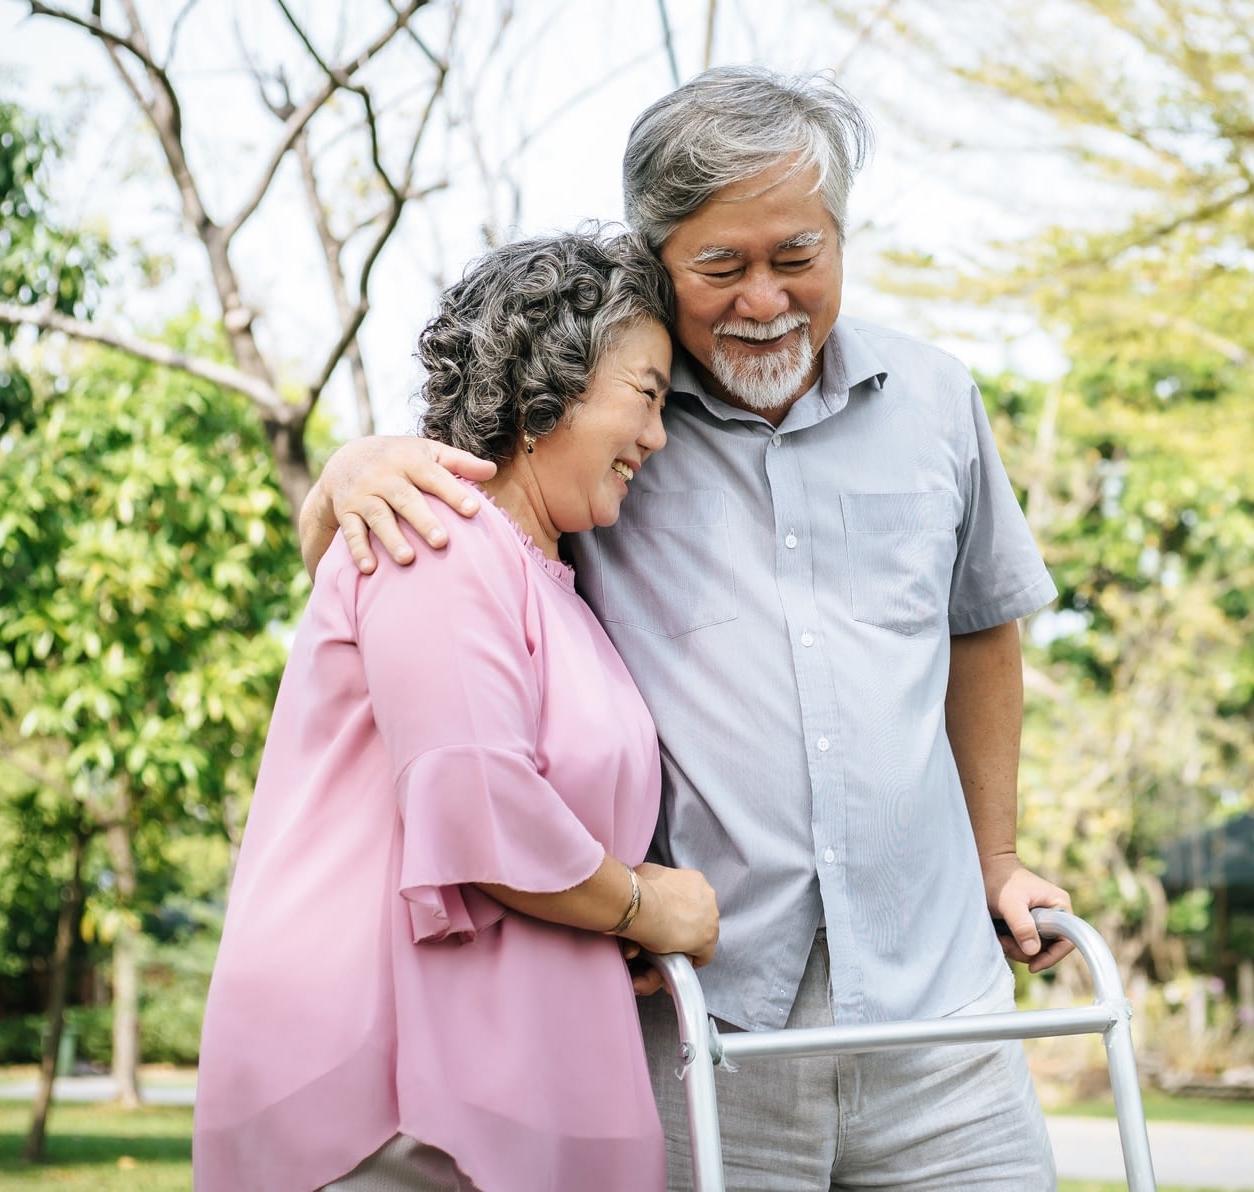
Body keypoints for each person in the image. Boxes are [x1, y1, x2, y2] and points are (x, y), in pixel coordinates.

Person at [302, 68, 1070, 1190]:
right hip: (702, 1022)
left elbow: (981, 625)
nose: (766, 301)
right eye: (722, 267)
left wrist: (997, 857)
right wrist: (346, 469)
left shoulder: (939, 400)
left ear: (840, 238)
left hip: (942, 1021)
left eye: (797, 257)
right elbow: (435, 547)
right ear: (658, 262)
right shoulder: (609, 426)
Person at [195, 228, 719, 1192]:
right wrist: (646, 907)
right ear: (547, 388)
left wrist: (607, 920)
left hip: (516, 1089)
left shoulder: (552, 580)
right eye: (645, 397)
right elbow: (479, 800)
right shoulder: (436, 534)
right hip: (394, 1114)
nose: (657, 435)